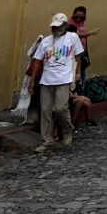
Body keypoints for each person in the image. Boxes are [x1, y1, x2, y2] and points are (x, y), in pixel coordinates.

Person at [29, 12, 84, 152]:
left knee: (60, 108)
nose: (55, 29)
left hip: (64, 79)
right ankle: (48, 141)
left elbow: (78, 56)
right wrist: (32, 81)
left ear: (65, 25)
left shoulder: (72, 37)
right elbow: (37, 61)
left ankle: (67, 130)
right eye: (54, 26)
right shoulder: (46, 41)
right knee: (45, 111)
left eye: (58, 26)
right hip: (47, 80)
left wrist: (78, 73)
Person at [69, 6, 99, 92]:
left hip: (83, 51)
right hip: (75, 53)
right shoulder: (70, 24)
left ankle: (82, 89)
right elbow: (77, 35)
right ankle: (76, 91)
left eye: (81, 17)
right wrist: (91, 33)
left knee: (83, 72)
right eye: (76, 16)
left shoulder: (81, 23)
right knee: (77, 72)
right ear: (73, 14)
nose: (78, 19)